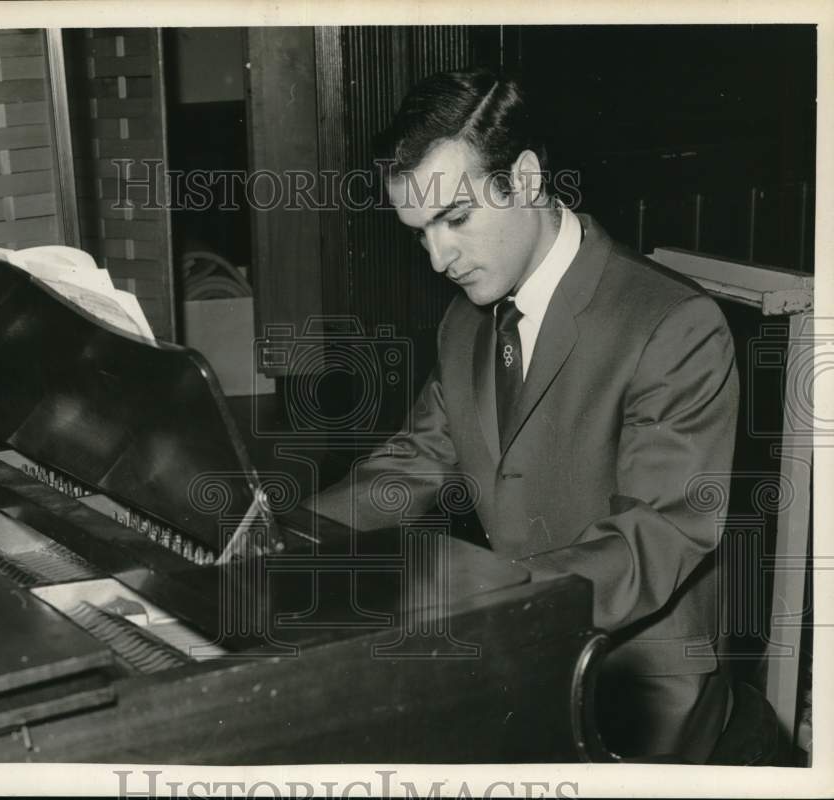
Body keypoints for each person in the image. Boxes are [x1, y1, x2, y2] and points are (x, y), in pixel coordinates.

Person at [304, 68, 739, 763]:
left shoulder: (672, 324)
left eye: (454, 219)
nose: (438, 258)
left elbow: (657, 535)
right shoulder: (466, 323)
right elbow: (414, 461)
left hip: (633, 681)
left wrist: (496, 606)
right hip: (520, 647)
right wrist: (286, 537)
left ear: (528, 179)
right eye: (419, 232)